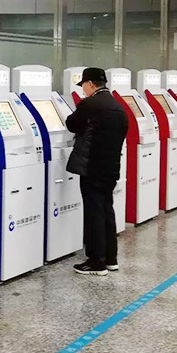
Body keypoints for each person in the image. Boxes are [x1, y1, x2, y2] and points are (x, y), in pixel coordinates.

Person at [66, 68, 128, 276]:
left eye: (83, 85)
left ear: (91, 84)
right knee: (107, 211)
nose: (82, 89)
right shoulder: (117, 106)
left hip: (91, 167)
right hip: (111, 168)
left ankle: (96, 262)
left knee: (94, 213)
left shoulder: (90, 104)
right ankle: (111, 259)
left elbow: (71, 124)